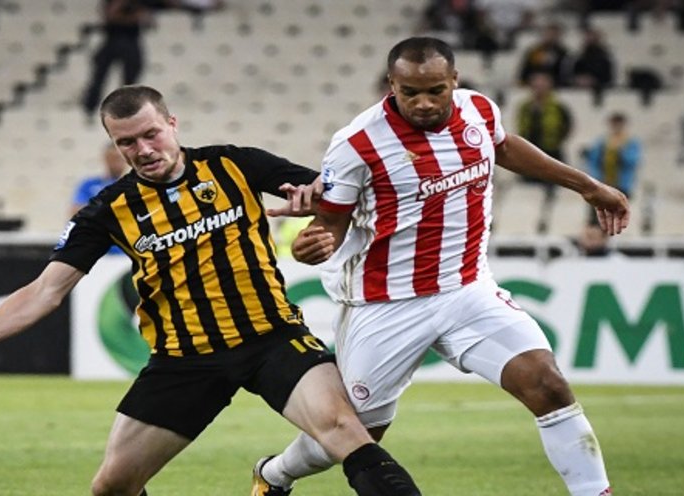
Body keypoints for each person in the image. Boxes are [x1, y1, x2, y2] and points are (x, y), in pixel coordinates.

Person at [0, 85, 422, 496]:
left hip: (272, 337)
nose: (143, 150)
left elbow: (339, 198)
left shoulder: (235, 164)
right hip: (184, 359)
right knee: (112, 486)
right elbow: (46, 290)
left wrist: (323, 219)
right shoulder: (106, 211)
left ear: (172, 124)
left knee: (345, 433)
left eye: (150, 134)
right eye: (126, 143)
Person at [253, 37, 627, 496]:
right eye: (410, 92)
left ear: (454, 80)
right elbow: (330, 222)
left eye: (435, 90)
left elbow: (504, 147)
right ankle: (275, 475)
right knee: (356, 434)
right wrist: (315, 244)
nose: (424, 103)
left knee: (547, 385)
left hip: (467, 290)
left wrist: (588, 186)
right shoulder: (358, 143)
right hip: (385, 305)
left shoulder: (479, 110)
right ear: (391, 85)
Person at [516, 71, 573, 199]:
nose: (539, 89)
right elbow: (521, 126)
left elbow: (567, 126)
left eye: (542, 85)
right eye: (536, 85)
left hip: (552, 151)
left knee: (553, 183)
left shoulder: (558, 107)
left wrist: (556, 140)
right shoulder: (525, 107)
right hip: (529, 152)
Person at [70, 143, 128, 217]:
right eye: (113, 159)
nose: (117, 163)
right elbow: (76, 211)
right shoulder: (89, 184)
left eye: (120, 159)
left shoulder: (132, 185)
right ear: (106, 159)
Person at [518, 22, 570, 87]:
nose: (551, 37)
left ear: (559, 36)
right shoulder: (534, 51)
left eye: (554, 34)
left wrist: (549, 81)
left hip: (555, 85)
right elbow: (526, 70)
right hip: (533, 83)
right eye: (549, 34)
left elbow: (564, 73)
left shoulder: (564, 53)